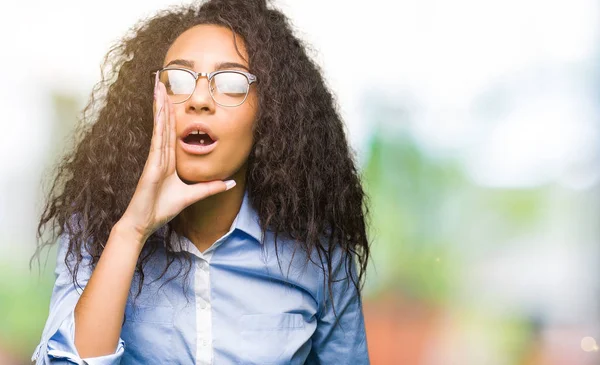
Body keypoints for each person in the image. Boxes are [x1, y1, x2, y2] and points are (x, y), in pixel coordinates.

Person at [31, 0, 371, 363]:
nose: (198, 100)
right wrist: (131, 231)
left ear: (270, 112)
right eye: (179, 79)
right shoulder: (97, 230)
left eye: (231, 82)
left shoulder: (317, 252)